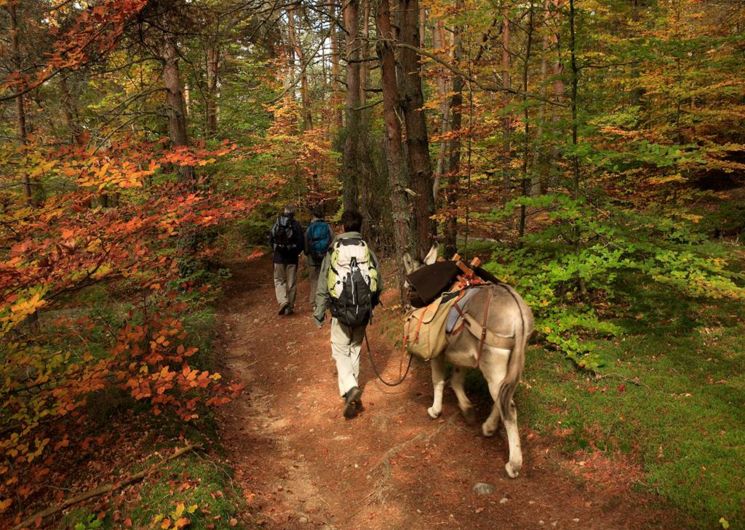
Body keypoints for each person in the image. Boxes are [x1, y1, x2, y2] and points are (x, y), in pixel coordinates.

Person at [313, 210, 382, 419]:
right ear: (359, 227)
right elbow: (379, 280)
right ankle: (352, 392)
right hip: (362, 310)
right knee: (354, 349)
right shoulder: (366, 249)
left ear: (342, 227)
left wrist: (319, 311)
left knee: (340, 350)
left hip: (341, 312)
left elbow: (324, 282)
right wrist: (371, 304)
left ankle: (350, 387)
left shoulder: (334, 249)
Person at [269, 205, 304, 315]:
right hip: (292, 259)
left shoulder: (277, 223)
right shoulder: (296, 225)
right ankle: (290, 307)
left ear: (284, 212)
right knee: (291, 283)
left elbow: (271, 239)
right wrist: (296, 252)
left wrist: (276, 250)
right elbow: (301, 243)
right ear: (293, 213)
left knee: (279, 280)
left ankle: (283, 301)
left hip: (278, 258)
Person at [304, 205, 334, 310]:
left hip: (312, 259)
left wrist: (308, 253)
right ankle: (325, 301)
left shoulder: (310, 228)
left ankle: (314, 302)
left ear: (313, 216)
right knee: (325, 278)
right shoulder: (327, 227)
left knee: (314, 279)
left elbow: (306, 243)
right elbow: (332, 241)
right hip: (325, 257)